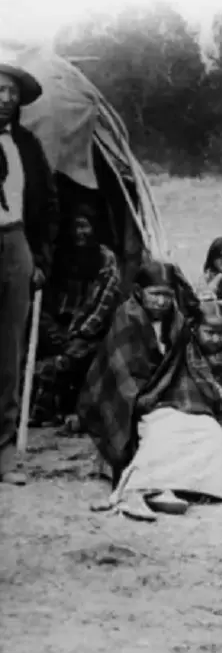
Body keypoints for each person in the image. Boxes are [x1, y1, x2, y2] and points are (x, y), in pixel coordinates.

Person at [102, 294, 222, 520]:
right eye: (209, 332)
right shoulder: (182, 349)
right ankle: (145, 489)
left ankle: (192, 489)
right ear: (195, 328)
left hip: (208, 411)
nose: (215, 339)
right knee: (163, 434)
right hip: (167, 403)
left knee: (210, 436)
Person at [0, 52, 59, 486]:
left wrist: (39, 257)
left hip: (14, 241)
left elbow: (48, 205)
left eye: (11, 92)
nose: (3, 98)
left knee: (9, 349)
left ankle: (3, 452)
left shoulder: (26, 146)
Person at [78, 259, 188, 487]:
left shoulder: (176, 320)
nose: (161, 301)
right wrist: (144, 398)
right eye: (154, 294)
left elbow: (175, 363)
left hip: (157, 389)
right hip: (120, 391)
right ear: (138, 292)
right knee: (148, 422)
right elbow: (122, 368)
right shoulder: (127, 316)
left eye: (167, 295)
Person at [30, 198, 123, 426]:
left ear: (95, 228)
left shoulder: (105, 259)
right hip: (61, 329)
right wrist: (56, 329)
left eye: (84, 226)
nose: (79, 233)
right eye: (75, 227)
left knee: (73, 356)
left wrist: (77, 334)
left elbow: (103, 306)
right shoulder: (64, 257)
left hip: (89, 333)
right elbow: (52, 301)